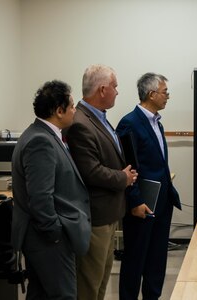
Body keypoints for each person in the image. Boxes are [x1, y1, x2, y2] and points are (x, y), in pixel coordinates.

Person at [11, 80, 91, 300]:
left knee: (40, 295)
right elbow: (40, 196)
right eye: (72, 106)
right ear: (58, 111)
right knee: (63, 295)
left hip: (43, 236)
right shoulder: (40, 140)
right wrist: (55, 233)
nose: (75, 111)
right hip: (46, 239)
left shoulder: (45, 135)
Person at [64, 64, 138, 300]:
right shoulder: (80, 123)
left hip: (109, 214)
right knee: (89, 283)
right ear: (103, 89)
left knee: (102, 279)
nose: (117, 91)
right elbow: (90, 171)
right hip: (95, 217)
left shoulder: (99, 118)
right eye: (115, 86)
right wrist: (123, 178)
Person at [116, 72, 181, 300]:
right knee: (135, 260)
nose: (168, 97)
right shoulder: (129, 123)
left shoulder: (157, 123)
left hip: (161, 203)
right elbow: (128, 166)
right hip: (142, 205)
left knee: (156, 260)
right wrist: (135, 201)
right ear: (152, 94)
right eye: (165, 92)